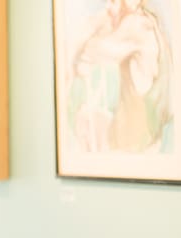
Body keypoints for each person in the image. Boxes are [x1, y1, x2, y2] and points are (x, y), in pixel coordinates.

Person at [69, 0, 172, 152]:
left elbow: (89, 54)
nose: (107, 8)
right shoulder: (148, 21)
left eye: (113, 1)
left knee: (85, 122)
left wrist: (97, 23)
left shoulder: (138, 26)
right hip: (141, 132)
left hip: (136, 135)